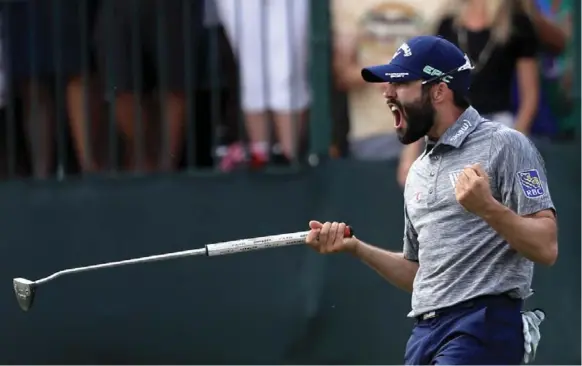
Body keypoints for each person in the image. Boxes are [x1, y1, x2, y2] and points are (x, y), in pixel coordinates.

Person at [304, 35, 558, 365]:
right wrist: (356, 247)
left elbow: (547, 247)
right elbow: (420, 273)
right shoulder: (418, 170)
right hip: (425, 332)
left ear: (439, 90)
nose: (387, 92)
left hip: (484, 325)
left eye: (402, 82)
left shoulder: (506, 145)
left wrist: (488, 208)